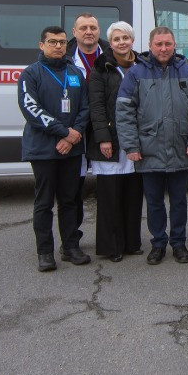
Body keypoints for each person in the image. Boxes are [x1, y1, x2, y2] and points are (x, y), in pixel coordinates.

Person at [117, 27, 188, 266]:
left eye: (168, 44)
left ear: (174, 44)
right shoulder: (135, 73)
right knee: (154, 202)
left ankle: (179, 243)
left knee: (179, 201)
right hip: (148, 148)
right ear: (150, 45)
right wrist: (131, 145)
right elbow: (124, 111)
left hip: (180, 146)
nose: (164, 48)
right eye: (159, 44)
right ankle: (158, 244)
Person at [17, 26, 91, 272]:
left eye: (61, 42)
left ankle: (70, 247)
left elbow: (85, 107)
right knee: (44, 202)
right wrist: (64, 132)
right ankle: (45, 252)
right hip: (43, 148)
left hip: (71, 147)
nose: (58, 46)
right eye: (52, 42)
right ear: (42, 45)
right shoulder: (31, 74)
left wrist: (73, 135)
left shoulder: (75, 73)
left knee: (70, 200)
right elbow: (31, 109)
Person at [87, 22, 144, 262]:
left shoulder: (142, 65)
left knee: (133, 193)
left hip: (137, 139)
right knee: (111, 196)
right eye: (117, 39)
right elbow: (97, 107)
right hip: (111, 139)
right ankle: (112, 246)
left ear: (132, 40)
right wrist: (103, 138)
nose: (122, 42)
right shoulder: (101, 68)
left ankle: (131, 242)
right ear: (110, 44)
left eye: (126, 38)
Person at [66, 12, 111, 241]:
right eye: (83, 28)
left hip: (104, 131)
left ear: (99, 31)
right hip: (76, 131)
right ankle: (72, 240)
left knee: (108, 189)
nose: (88, 32)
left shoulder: (111, 55)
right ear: (74, 32)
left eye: (93, 27)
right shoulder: (64, 58)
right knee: (73, 190)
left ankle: (109, 239)